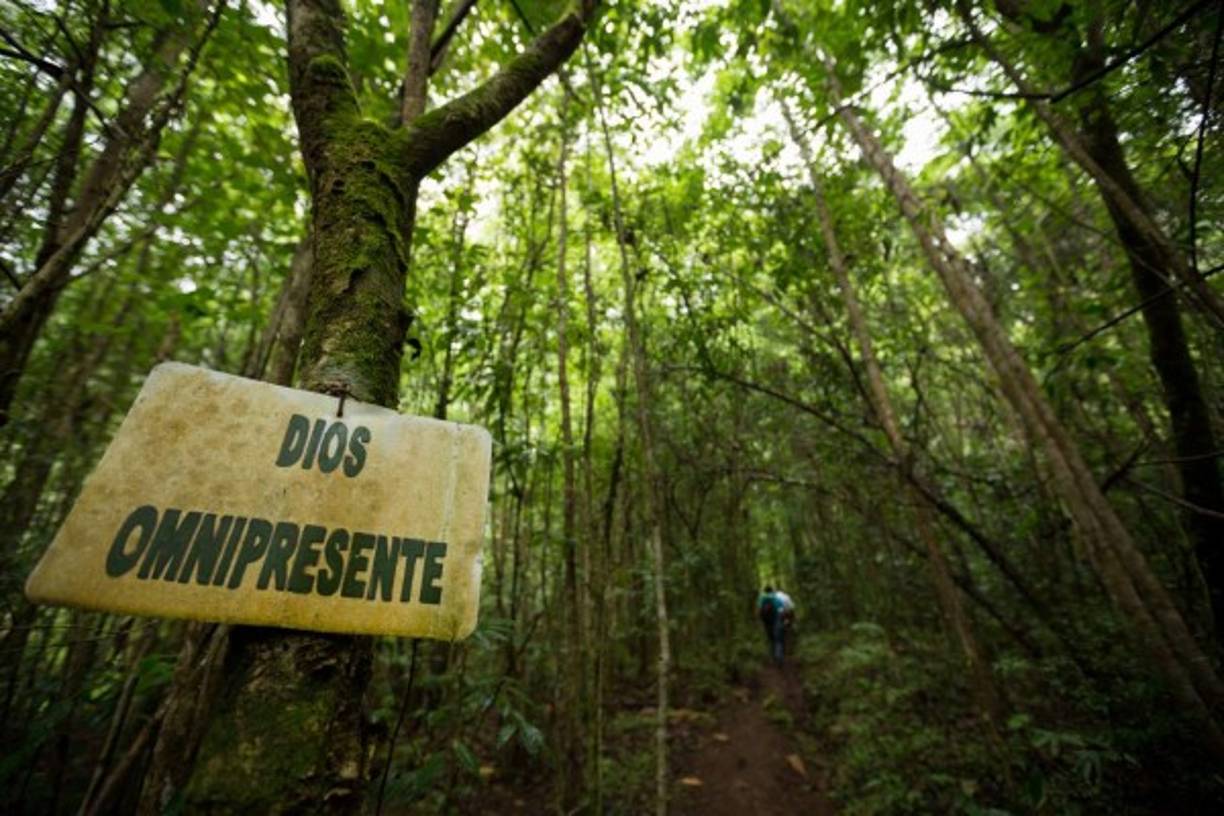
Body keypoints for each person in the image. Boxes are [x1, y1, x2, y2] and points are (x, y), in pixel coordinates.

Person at [758, 585, 786, 665]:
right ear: (772, 590)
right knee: (778, 639)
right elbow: (782, 610)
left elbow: (759, 611)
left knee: (771, 639)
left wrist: (761, 621)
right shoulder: (776, 598)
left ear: (764, 590)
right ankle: (779, 656)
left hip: (766, 622)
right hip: (776, 620)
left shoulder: (761, 598)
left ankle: (773, 656)